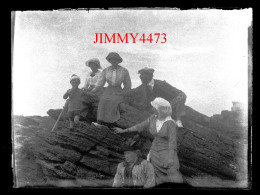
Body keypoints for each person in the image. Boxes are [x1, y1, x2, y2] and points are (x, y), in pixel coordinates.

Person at [114, 97, 184, 186]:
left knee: (173, 173)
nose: (152, 109)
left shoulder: (170, 123)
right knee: (157, 175)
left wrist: (170, 158)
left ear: (161, 110)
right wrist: (124, 130)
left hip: (166, 152)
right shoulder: (152, 118)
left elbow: (172, 142)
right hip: (154, 152)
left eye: (154, 107)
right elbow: (139, 126)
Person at [122, 67, 187, 128]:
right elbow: (132, 92)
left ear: (150, 75)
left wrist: (168, 106)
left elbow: (182, 95)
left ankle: (178, 120)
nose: (140, 77)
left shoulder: (161, 84)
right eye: (140, 75)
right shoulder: (143, 87)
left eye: (143, 75)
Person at [91, 52, 131, 128]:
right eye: (112, 59)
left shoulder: (124, 71)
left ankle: (110, 124)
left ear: (118, 60)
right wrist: (93, 90)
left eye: (116, 59)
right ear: (109, 60)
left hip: (119, 90)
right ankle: (100, 122)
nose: (114, 61)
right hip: (108, 90)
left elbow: (128, 85)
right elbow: (100, 83)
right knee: (103, 100)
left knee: (114, 101)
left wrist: (124, 93)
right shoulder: (106, 70)